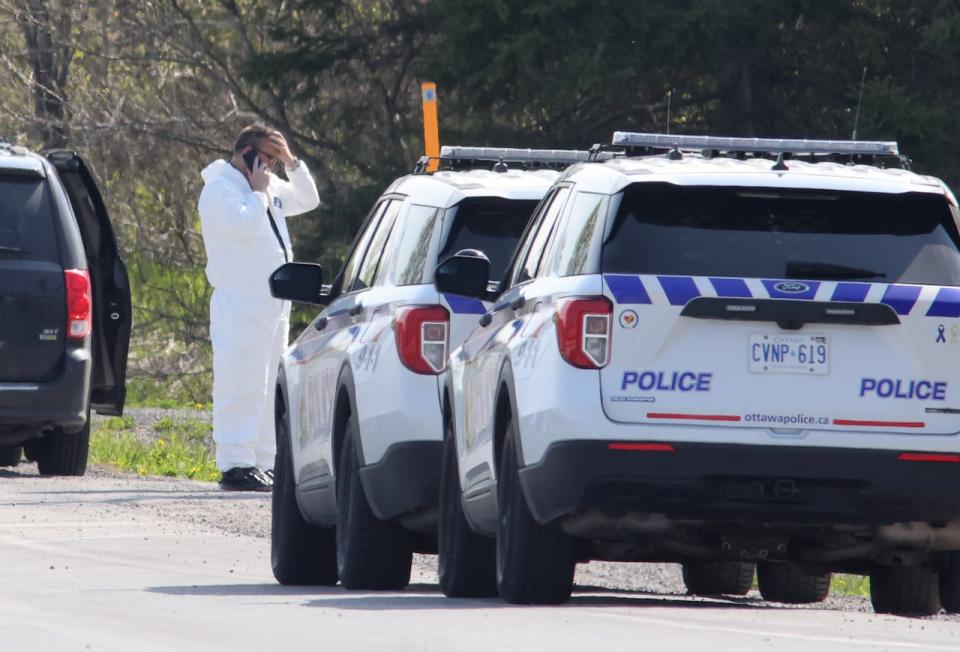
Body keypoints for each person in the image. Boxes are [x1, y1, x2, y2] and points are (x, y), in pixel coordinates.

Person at [197, 125, 320, 491]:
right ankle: (235, 463)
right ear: (247, 153)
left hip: (273, 303)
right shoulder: (219, 189)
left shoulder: (266, 186)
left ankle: (263, 461)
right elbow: (244, 226)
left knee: (267, 384)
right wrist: (258, 193)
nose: (269, 166)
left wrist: (291, 162)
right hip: (240, 301)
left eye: (272, 160)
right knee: (242, 381)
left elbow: (309, 199)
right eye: (266, 157)